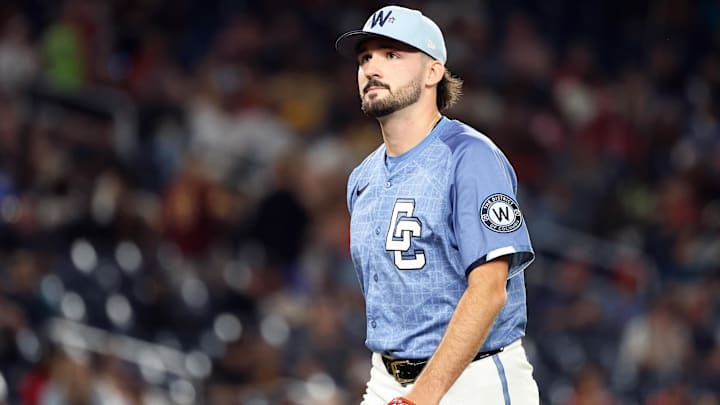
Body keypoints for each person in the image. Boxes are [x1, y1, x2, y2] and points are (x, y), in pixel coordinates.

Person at [335, 5, 540, 405]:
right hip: (387, 378)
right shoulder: (362, 178)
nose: (372, 67)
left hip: (475, 379)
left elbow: (490, 291)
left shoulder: (470, 158)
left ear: (433, 72)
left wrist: (423, 395)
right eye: (365, 58)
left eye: (392, 55)